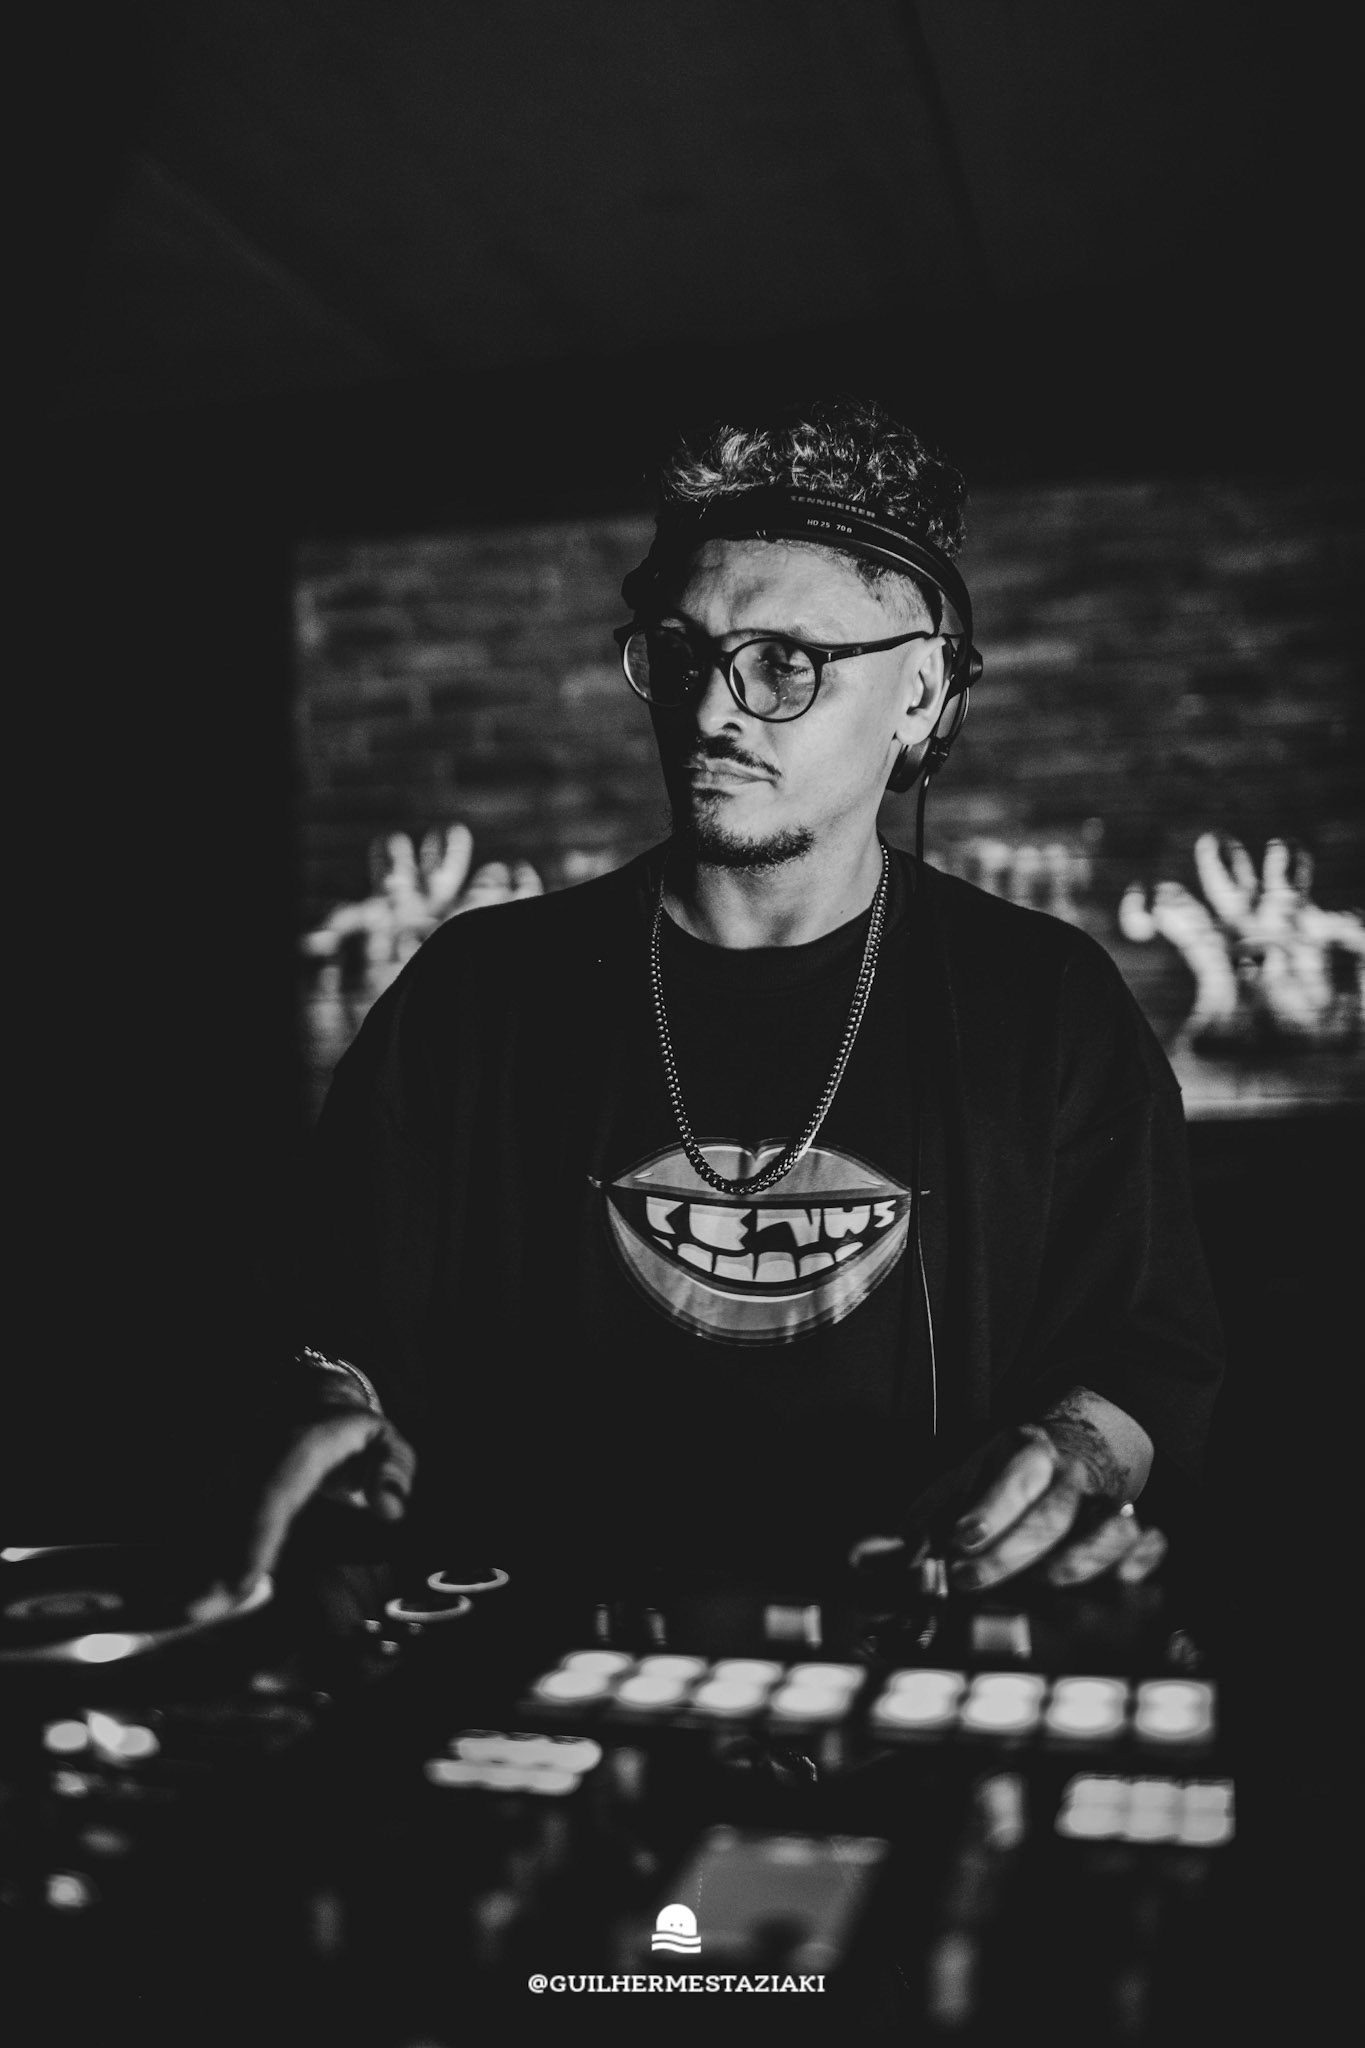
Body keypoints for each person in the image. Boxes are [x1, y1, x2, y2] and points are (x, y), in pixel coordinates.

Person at [232, 396, 1222, 1607]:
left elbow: (1142, 1356)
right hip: (530, 1657)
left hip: (908, 1659)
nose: (711, 710)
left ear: (922, 695)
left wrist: (1074, 1456)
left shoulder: (1050, 1004)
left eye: (785, 664)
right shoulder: (476, 992)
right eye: (684, 653)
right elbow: (330, 1320)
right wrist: (326, 1405)